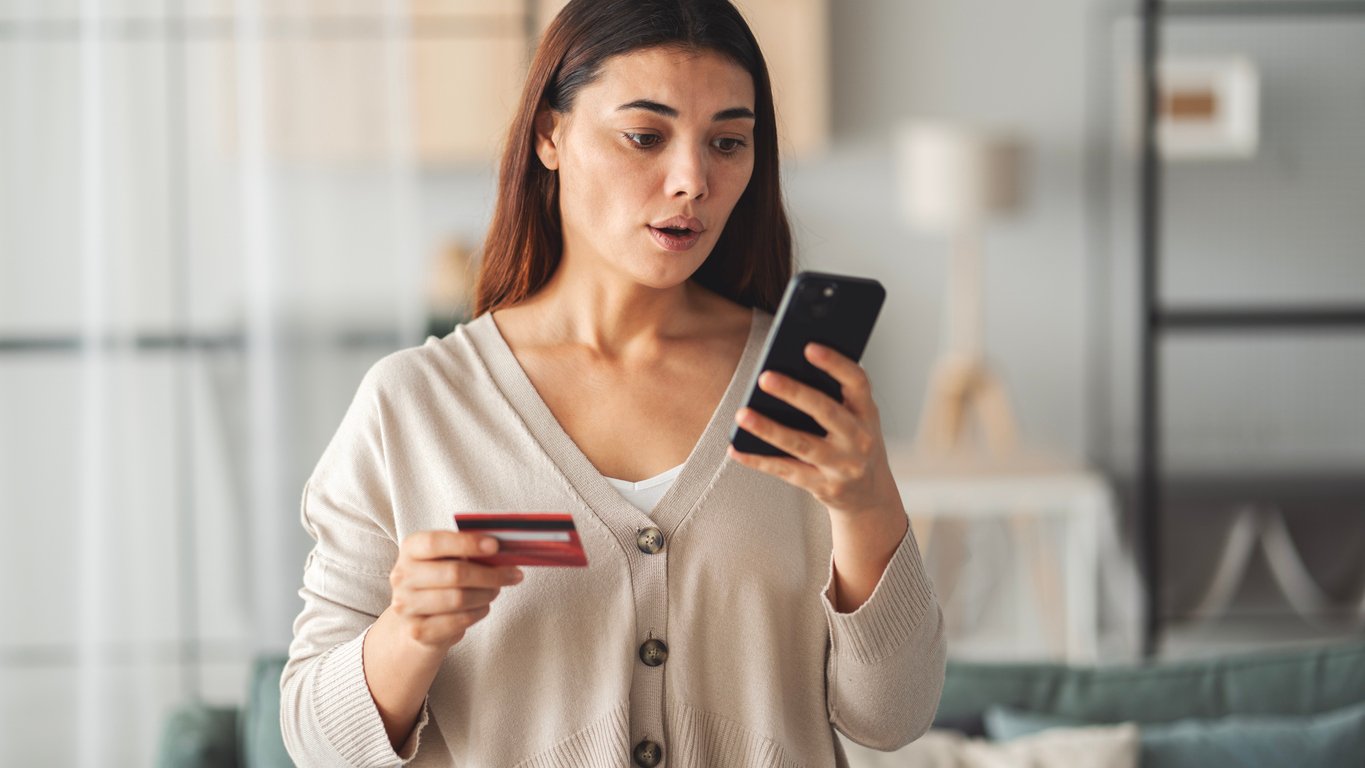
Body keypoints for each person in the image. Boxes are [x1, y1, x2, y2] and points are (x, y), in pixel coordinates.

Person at [280, 1, 945, 765]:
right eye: (644, 136)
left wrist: (867, 506)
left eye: (728, 142)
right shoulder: (414, 406)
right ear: (549, 135)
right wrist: (408, 632)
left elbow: (893, 716)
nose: (693, 179)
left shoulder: (804, 397)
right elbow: (313, 742)